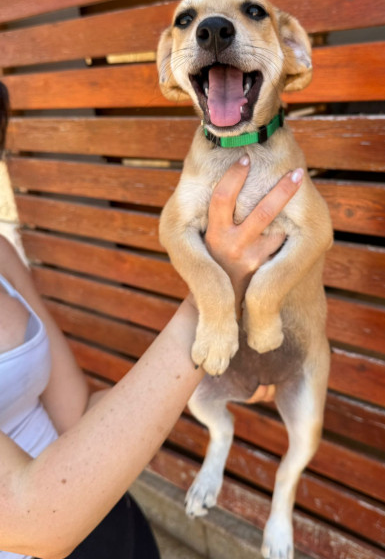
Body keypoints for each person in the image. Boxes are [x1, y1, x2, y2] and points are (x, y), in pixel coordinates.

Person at [0, 81, 304, 559]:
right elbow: (34, 518)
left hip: (113, 520)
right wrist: (214, 296)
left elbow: (77, 411)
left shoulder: (1, 255)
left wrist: (211, 376)